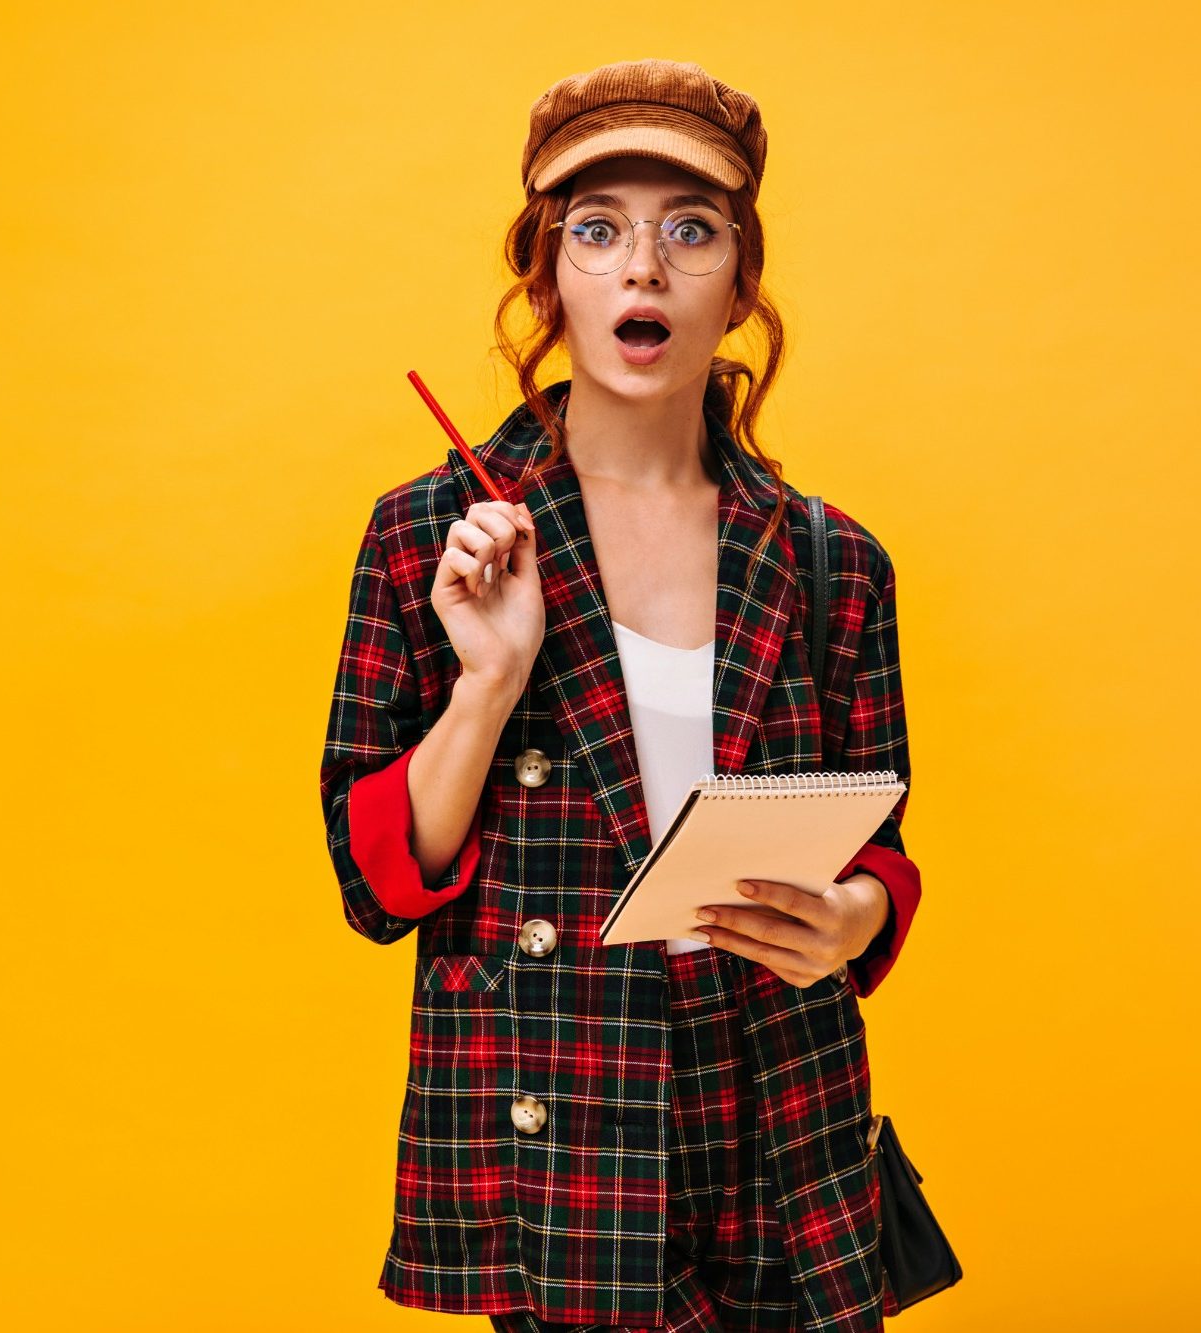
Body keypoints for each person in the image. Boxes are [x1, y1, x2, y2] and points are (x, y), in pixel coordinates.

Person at [320, 58, 922, 1333]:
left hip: (778, 1100)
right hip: (563, 1101)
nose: (641, 268)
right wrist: (488, 680)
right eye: (597, 231)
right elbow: (377, 884)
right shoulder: (436, 531)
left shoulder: (828, 556)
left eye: (688, 231)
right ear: (549, 278)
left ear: (738, 283)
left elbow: (880, 848)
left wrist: (857, 915)